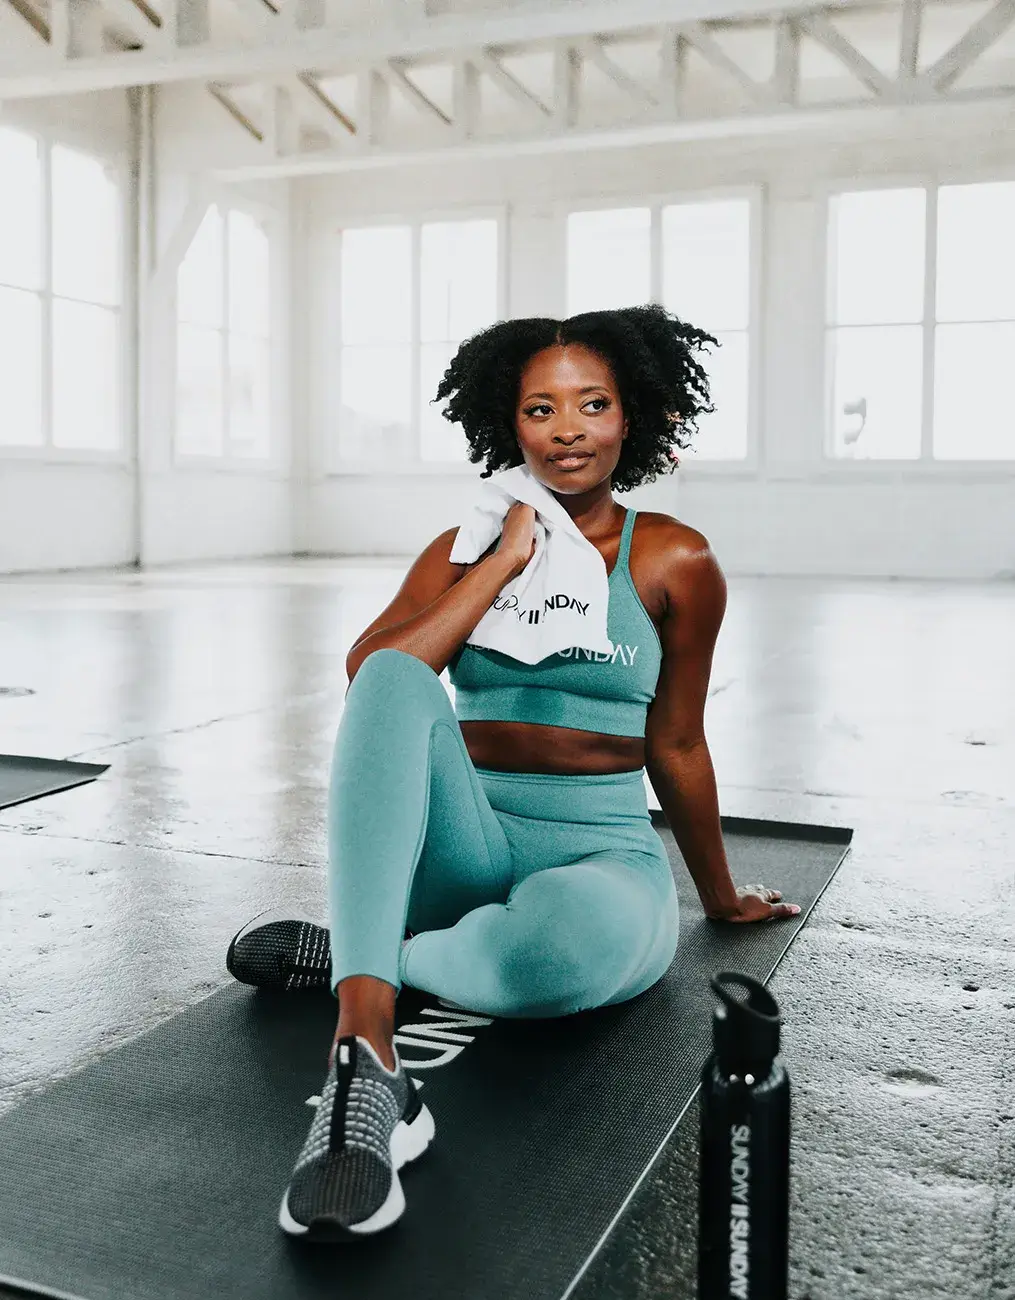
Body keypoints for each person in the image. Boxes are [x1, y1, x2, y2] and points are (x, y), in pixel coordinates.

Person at [225, 303, 801, 1242]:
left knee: (553, 960)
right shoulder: (461, 547)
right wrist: (499, 565)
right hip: (463, 844)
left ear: (633, 417)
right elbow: (380, 685)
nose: (566, 429)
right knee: (391, 676)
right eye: (540, 409)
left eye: (593, 404)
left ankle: (369, 959)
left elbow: (679, 742)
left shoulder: (673, 558)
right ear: (510, 422)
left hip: (597, 855)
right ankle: (366, 1052)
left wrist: (721, 895)